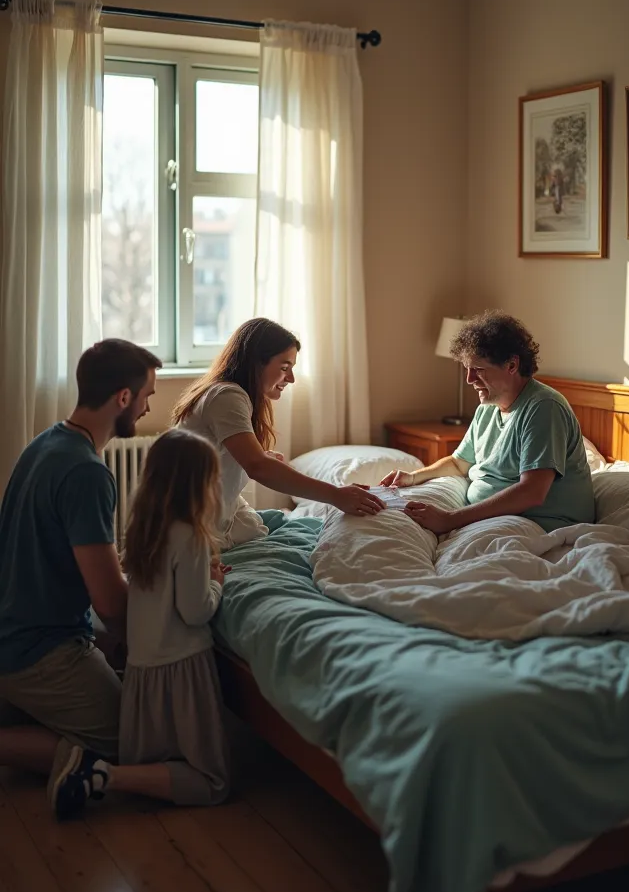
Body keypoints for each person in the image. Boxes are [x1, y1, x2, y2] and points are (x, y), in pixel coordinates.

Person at [0, 339, 160, 782]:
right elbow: (110, 603)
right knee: (130, 743)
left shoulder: (47, 442)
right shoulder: (87, 472)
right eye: (146, 395)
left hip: (13, 627)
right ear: (123, 398)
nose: (148, 407)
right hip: (41, 648)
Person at [51, 430, 233, 818]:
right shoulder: (192, 537)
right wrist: (217, 584)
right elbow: (196, 611)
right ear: (198, 485)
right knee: (212, 782)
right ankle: (106, 775)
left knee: (160, 762)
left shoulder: (142, 532)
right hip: (181, 669)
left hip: (142, 672)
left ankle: (110, 775)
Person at [381, 311, 594, 535]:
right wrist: (413, 477)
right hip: (493, 516)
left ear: (512, 365)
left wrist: (450, 520)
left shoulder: (544, 408)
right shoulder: (487, 408)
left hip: (541, 523)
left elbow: (532, 491)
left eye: (478, 370)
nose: (469, 380)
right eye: (467, 369)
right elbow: (458, 463)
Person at [172, 317, 384, 539]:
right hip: (190, 523)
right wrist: (336, 495)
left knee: (299, 529)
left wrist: (256, 457)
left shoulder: (228, 395)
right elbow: (258, 467)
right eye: (285, 367)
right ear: (256, 363)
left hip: (211, 510)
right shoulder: (228, 397)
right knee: (304, 536)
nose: (290, 378)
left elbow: (235, 458)